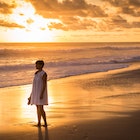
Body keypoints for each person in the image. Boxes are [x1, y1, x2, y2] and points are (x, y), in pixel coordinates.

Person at [28, 60, 48, 127]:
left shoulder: (44, 74)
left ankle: (45, 122)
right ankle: (39, 122)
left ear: (41, 65)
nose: (36, 66)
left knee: (41, 108)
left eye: (37, 64)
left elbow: (44, 84)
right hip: (35, 92)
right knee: (37, 108)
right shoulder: (36, 73)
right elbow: (34, 85)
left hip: (40, 92)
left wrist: (42, 93)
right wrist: (31, 96)